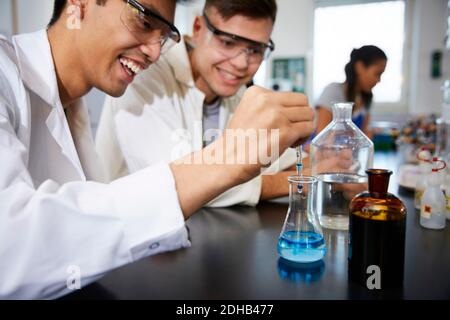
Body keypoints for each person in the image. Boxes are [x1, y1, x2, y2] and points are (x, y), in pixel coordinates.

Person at [0, 0, 314, 299]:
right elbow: (10, 246)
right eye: (144, 19)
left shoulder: (71, 103)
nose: (154, 52)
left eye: (163, 35)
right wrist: (228, 161)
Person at [96, 0, 304, 207]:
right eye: (228, 42)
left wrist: (319, 159)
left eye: (255, 50)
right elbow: (181, 185)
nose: (241, 64)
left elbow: (276, 158)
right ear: (198, 29)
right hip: (127, 229)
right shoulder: (147, 73)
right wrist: (302, 181)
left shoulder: (237, 93)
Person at [314, 45, 387, 139]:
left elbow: (363, 135)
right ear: (359, 67)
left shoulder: (367, 99)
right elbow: (322, 138)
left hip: (347, 153)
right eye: (377, 74)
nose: (378, 80)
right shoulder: (333, 91)